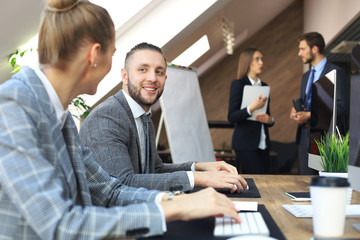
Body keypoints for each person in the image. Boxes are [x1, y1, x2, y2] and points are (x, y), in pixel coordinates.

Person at [0, 1, 242, 239]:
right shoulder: (12, 106)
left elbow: (109, 191)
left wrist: (175, 199)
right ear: (95, 54)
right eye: (113, 54)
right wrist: (174, 207)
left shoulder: (61, 115)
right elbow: (62, 224)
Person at [79, 42, 247, 193]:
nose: (152, 78)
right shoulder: (107, 117)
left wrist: (200, 167)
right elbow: (123, 183)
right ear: (124, 76)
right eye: (143, 69)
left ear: (165, 79)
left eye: (159, 72)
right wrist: (199, 179)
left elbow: (155, 169)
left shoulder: (144, 118)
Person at [290, 32, 348, 175]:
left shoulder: (335, 72)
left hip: (324, 138)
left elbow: (341, 107)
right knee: (306, 183)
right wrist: (298, 112)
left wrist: (309, 115)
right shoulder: (306, 77)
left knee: (323, 183)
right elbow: (308, 104)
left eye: (302, 49)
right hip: (304, 136)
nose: (299, 53)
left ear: (315, 49)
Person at [228, 48, 274, 174]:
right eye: (257, 59)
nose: (261, 63)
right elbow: (231, 116)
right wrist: (252, 108)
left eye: (262, 59)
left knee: (266, 181)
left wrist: (270, 120)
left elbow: (268, 115)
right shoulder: (238, 84)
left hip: (263, 143)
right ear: (248, 62)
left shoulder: (264, 86)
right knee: (259, 181)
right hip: (245, 144)